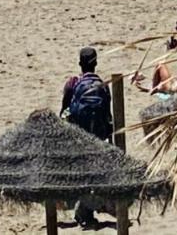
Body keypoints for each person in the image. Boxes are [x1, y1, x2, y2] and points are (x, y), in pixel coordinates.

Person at [61, 46, 113, 228]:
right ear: (96, 63)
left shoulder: (73, 84)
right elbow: (109, 115)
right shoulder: (103, 86)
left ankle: (83, 209)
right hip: (99, 137)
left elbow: (63, 112)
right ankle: (88, 209)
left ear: (79, 64)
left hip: (78, 138)